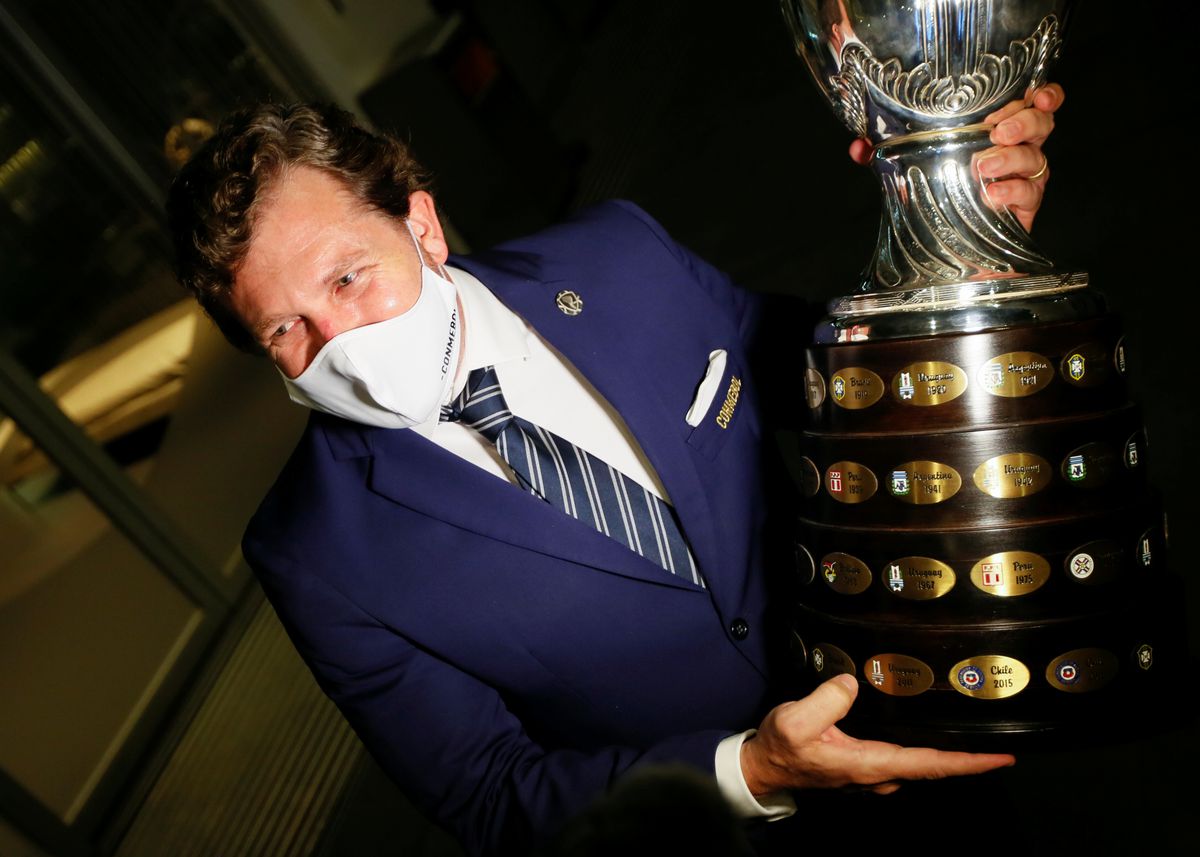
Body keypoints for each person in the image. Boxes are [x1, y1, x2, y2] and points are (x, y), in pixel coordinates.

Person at [167, 88, 1063, 855]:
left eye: (348, 278)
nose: (341, 349)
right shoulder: (312, 553)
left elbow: (823, 376)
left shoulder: (619, 258)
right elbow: (489, 795)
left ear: (421, 224)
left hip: (920, 702)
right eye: (284, 330)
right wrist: (753, 768)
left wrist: (952, 249)